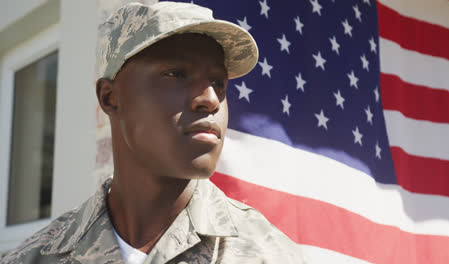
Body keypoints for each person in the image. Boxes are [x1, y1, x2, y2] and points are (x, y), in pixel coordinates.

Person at [0, 2, 305, 263]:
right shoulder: (36, 256)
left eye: (219, 83)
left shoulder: (270, 254)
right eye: (175, 74)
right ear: (110, 98)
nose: (210, 100)